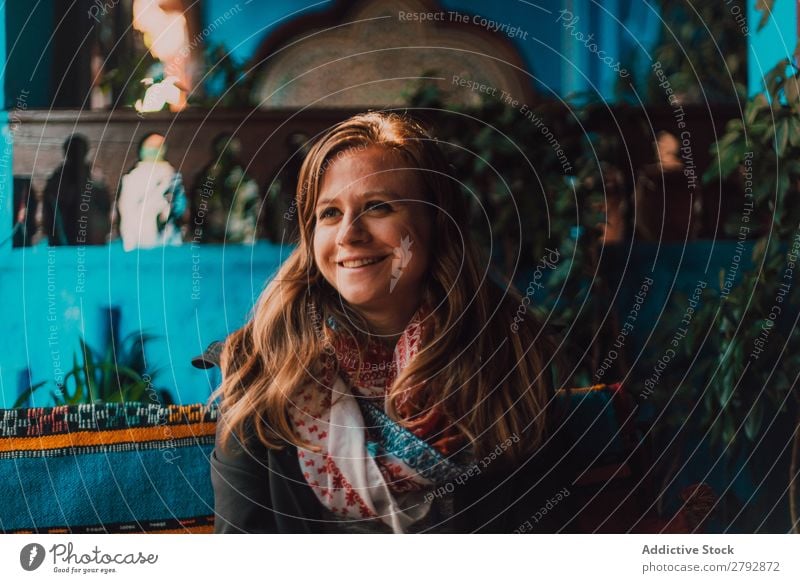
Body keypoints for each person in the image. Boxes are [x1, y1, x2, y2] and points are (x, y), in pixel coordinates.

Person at [208, 112, 579, 534]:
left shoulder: (511, 358)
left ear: (437, 223)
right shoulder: (261, 373)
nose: (349, 234)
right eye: (329, 213)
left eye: (378, 207)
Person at [116, 133, 187, 251]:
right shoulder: (135, 176)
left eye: (157, 147)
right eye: (150, 147)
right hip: (140, 237)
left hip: (166, 238)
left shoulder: (171, 175)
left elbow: (179, 206)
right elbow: (126, 208)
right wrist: (129, 237)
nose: (152, 151)